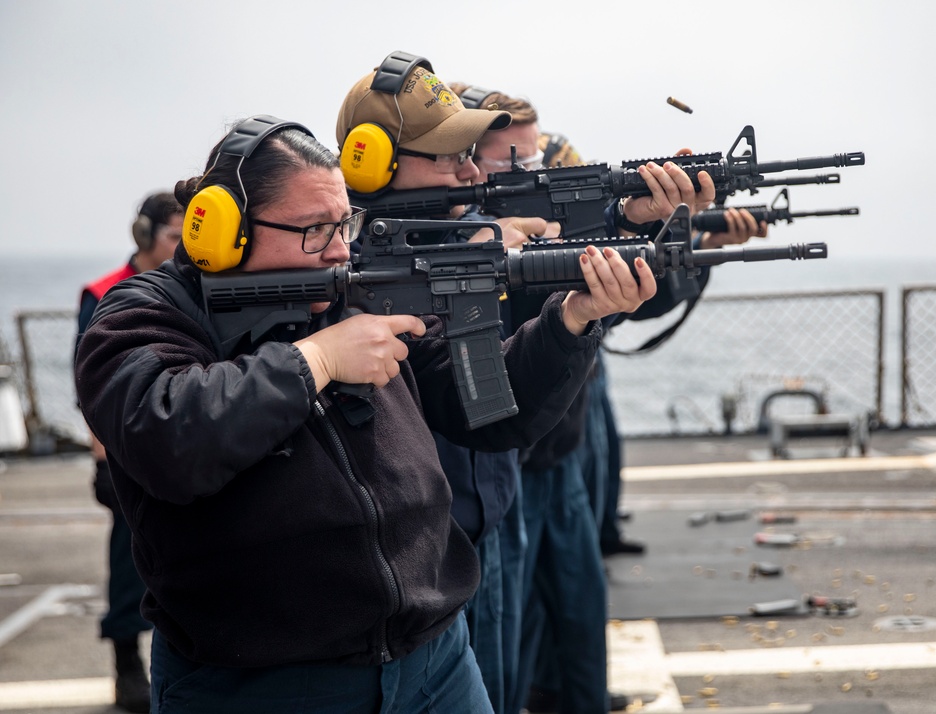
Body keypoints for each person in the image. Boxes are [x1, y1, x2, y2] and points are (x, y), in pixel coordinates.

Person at [75, 112, 656, 713]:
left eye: (343, 222)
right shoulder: (145, 314)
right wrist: (316, 360)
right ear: (225, 228)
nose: (339, 248)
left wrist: (571, 320)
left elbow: (489, 411)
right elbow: (168, 435)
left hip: (434, 660)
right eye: (313, 230)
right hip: (263, 686)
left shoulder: (349, 293)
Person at [454, 85, 769, 714]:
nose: (533, 172)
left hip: (552, 450)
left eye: (535, 160)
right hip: (508, 461)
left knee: (575, 606)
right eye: (512, 161)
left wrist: (663, 236)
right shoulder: (464, 239)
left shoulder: (519, 224)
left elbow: (631, 304)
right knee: (505, 643)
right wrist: (497, 252)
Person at [335, 53, 569, 714]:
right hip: (424, 557)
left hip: (485, 511)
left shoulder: (456, 240)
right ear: (368, 161)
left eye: (469, 155)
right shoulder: (345, 280)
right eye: (447, 158)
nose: (469, 172)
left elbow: (494, 397)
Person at [75, 191, 183, 713]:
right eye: (173, 235)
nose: (183, 245)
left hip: (173, 442)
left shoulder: (190, 287)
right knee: (127, 558)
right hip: (122, 449)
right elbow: (92, 388)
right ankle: (124, 659)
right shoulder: (104, 294)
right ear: (145, 236)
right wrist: (102, 462)